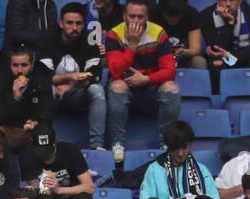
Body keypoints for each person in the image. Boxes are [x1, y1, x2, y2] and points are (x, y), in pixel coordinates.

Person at [104, 0, 181, 149]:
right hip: (125, 90)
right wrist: (132, 45)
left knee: (171, 88)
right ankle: (117, 143)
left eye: (140, 17)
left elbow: (170, 71)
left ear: (147, 17)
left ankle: (167, 143)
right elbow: (116, 71)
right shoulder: (115, 35)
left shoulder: (158, 33)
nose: (135, 21)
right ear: (124, 16)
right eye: (132, 16)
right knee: (117, 86)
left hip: (151, 91)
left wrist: (146, 79)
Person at [39, 2, 108, 151]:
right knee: (46, 89)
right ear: (61, 24)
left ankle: (97, 145)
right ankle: (45, 142)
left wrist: (70, 85)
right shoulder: (46, 39)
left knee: (97, 91)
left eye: (78, 23)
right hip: (53, 94)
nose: (74, 28)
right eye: (69, 23)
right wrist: (73, 77)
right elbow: (44, 76)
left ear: (84, 25)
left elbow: (94, 75)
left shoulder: (90, 42)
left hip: (77, 93)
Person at [138, 119, 220, 199]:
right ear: (168, 147)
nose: (181, 153)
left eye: (184, 147)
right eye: (176, 148)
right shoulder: (154, 169)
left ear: (190, 145)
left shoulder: (201, 170)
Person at [19, 127, 97, 199]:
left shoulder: (70, 150)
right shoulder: (27, 156)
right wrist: (35, 190)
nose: (44, 155)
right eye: (40, 151)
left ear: (56, 141)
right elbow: (36, 187)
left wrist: (59, 190)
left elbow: (90, 187)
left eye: (47, 150)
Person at [0, 45, 55, 154]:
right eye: (15, 65)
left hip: (32, 130)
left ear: (32, 65)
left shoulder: (41, 81)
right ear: (10, 65)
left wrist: (35, 123)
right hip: (8, 130)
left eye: (24, 65)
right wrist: (15, 98)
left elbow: (47, 113)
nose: (19, 70)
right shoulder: (1, 82)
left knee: (47, 134)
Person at [197, 0, 250, 94]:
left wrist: (230, 56)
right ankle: (218, 101)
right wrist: (230, 23)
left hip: (243, 58)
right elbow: (216, 48)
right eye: (224, 0)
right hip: (223, 60)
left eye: (232, 0)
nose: (228, 4)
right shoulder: (206, 15)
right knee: (216, 64)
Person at [155, 0, 206, 70]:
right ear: (163, 11)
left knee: (199, 61)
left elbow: (195, 49)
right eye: (169, 15)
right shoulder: (153, 13)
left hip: (184, 59)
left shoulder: (192, 13)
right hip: (158, 60)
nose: (173, 19)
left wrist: (185, 52)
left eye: (177, 15)